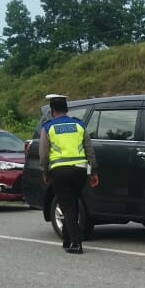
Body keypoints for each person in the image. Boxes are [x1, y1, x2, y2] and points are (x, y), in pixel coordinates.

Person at [39, 94, 100, 254]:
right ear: (66, 109)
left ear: (52, 110)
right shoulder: (79, 125)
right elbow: (89, 149)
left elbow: (44, 154)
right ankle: (67, 240)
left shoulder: (48, 127)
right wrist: (93, 171)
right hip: (80, 170)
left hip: (60, 170)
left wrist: (44, 172)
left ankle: (76, 243)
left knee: (67, 205)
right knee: (72, 203)